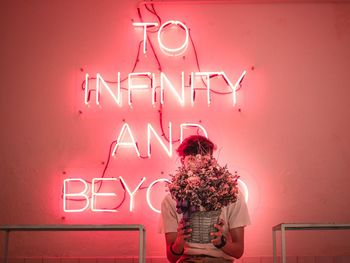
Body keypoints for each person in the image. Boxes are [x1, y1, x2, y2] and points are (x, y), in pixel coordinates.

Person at [160, 135, 251, 263]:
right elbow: (171, 257)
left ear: (212, 161)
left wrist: (221, 243)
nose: (198, 164)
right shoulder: (171, 200)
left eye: (204, 158)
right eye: (192, 158)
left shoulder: (232, 196)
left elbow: (238, 251)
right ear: (182, 161)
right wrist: (179, 241)